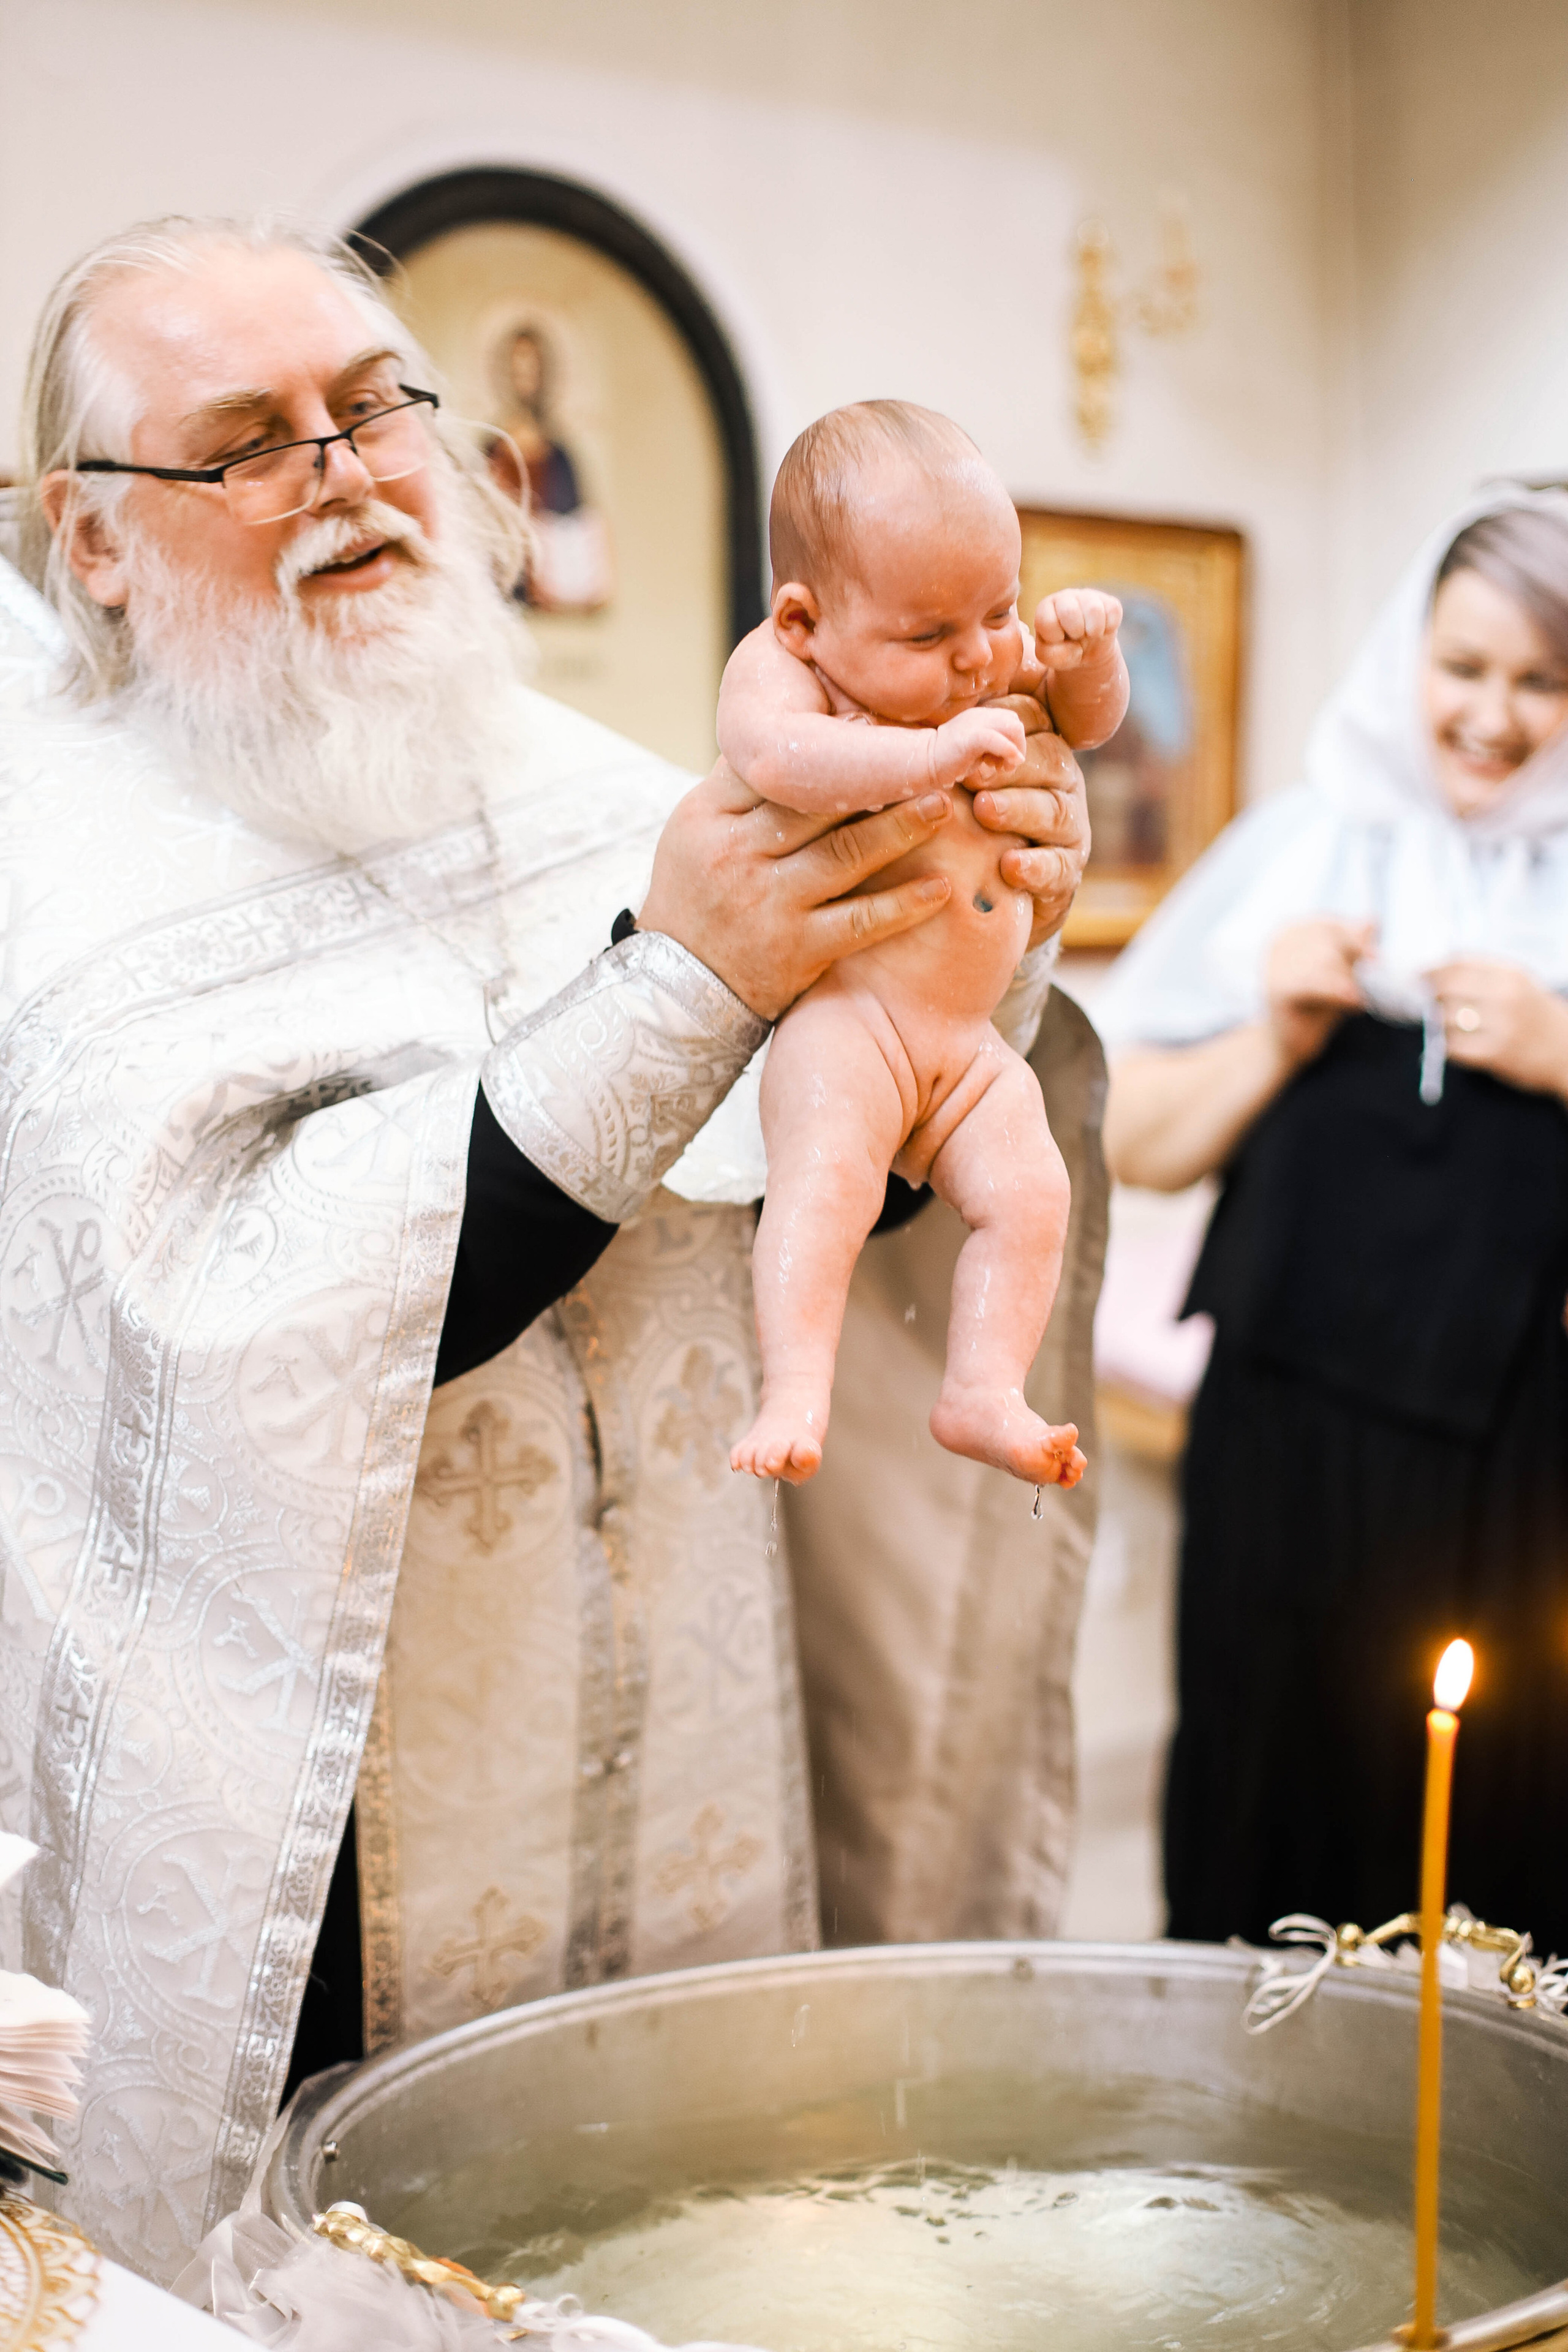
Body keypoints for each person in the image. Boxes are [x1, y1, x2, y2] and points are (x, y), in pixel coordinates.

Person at [0, 213, 1098, 2280]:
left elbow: (831, 1161)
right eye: (248, 441)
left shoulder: (596, 786)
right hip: (336, 1841)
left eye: (373, 409)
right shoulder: (53, 885)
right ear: (95, 537)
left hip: (691, 1725)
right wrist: (684, 984)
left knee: (697, 2246)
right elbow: (241, 1321)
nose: (346, 472)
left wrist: (975, 945)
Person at [1096, 489, 1568, 1957]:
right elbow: (1131, 1144)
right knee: (1261, 1794)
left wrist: (1558, 1051)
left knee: (1490, 1834)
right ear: (1404, 656)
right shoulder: (1296, 849)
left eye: (1540, 680)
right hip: (1278, 1451)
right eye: (1463, 666)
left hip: (1514, 1475)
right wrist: (1275, 1035)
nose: (1490, 714)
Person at [718, 401, 1125, 1485]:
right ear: (804, 621)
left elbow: (1088, 722)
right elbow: (774, 758)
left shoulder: (984, 660)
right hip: (849, 1022)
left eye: (1000, 610)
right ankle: (794, 1386)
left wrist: (1090, 657)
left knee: (1032, 1195)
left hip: (966, 1038)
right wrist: (931, 757)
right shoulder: (786, 673)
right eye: (927, 636)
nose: (978, 656)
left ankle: (984, 1389)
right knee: (826, 1185)